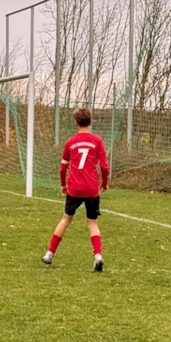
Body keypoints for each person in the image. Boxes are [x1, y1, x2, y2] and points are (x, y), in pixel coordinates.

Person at [43, 106, 110, 271]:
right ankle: (98, 256)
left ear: (75, 123)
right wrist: (105, 183)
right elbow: (105, 167)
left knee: (66, 219)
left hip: (74, 187)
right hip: (92, 188)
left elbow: (62, 168)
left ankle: (49, 254)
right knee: (92, 223)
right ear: (90, 122)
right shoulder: (97, 141)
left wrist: (63, 185)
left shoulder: (70, 142)